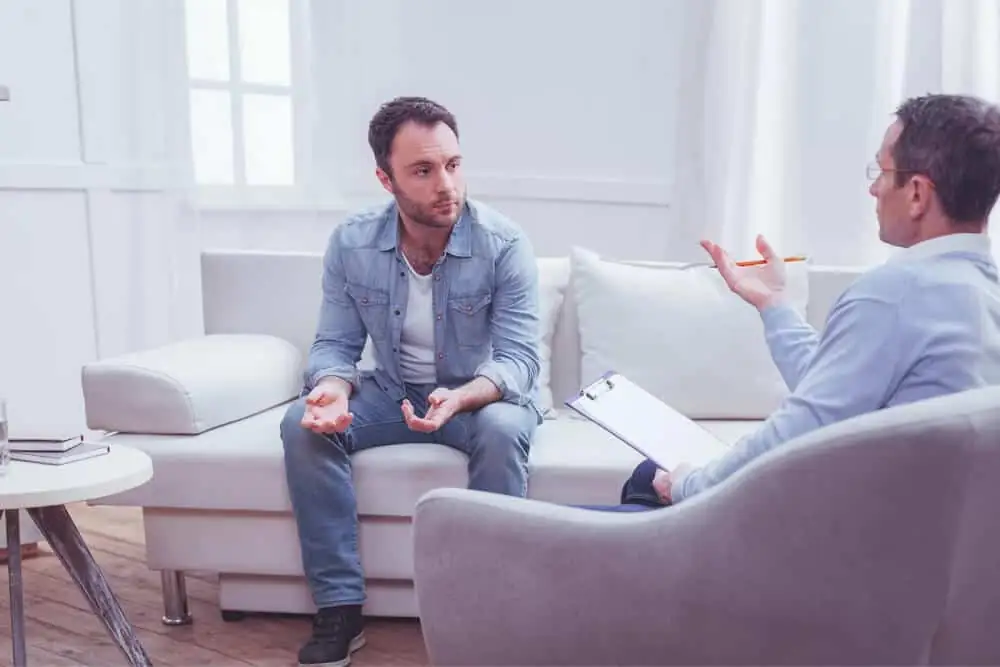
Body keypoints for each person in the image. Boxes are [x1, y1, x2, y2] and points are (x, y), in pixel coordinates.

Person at [597, 92, 1000, 512]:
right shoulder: (981, 293)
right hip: (929, 531)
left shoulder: (896, 295)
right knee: (648, 477)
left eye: (882, 171)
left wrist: (690, 486)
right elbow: (836, 393)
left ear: (916, 193)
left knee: (631, 497)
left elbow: (801, 433)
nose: (873, 188)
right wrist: (774, 305)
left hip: (837, 535)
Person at [281, 96, 543, 667]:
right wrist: (333, 388)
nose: (446, 184)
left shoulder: (504, 244)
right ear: (386, 179)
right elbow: (335, 344)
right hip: (394, 390)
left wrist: (462, 396)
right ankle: (339, 608)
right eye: (423, 170)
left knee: (503, 430)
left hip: (481, 397)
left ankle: (486, 613)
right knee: (302, 424)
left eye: (453, 164)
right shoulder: (352, 243)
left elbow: (520, 360)